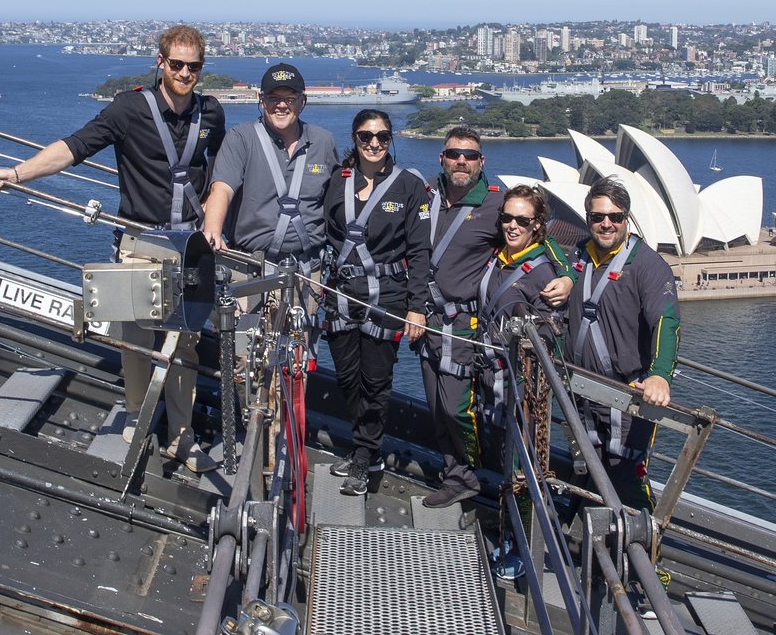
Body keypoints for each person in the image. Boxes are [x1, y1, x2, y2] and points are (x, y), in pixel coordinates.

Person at [0, 24, 224, 473]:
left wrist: (213, 218)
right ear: (160, 63)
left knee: (185, 343)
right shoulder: (129, 108)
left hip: (188, 245)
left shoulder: (212, 113)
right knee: (136, 339)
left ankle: (182, 438)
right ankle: (136, 414)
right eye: (178, 65)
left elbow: (222, 171)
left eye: (194, 66)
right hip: (139, 241)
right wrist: (17, 173)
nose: (186, 73)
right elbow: (74, 147)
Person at [417, 127, 572, 508]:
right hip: (426, 320)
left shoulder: (497, 206)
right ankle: (455, 471)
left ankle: (465, 476)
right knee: (436, 405)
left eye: (469, 155)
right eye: (454, 153)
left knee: (456, 408)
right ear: (442, 157)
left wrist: (566, 273)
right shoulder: (424, 195)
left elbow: (542, 236)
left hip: (462, 326)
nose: (461, 161)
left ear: (481, 161)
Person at [323, 110, 430, 496]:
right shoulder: (338, 179)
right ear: (354, 137)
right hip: (340, 292)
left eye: (383, 137)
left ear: (391, 139)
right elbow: (322, 230)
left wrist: (417, 305)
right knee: (348, 377)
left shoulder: (408, 187)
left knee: (376, 380)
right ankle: (363, 446)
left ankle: (366, 456)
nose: (374, 144)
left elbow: (419, 251)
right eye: (366, 136)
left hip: (389, 294)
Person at [563, 175, 680, 512]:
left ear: (626, 219)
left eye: (615, 216)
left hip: (626, 396)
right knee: (586, 468)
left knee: (627, 481)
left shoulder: (647, 265)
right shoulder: (579, 255)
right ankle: (588, 544)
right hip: (582, 391)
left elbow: (666, 321)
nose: (607, 224)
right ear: (588, 220)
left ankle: (645, 555)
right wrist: (566, 278)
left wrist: (660, 375)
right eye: (598, 217)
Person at [202, 63, 338, 292]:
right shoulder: (241, 139)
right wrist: (212, 230)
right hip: (251, 268)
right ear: (261, 100)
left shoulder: (323, 142)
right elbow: (222, 188)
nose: (282, 105)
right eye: (274, 98)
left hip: (306, 272)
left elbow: (335, 200)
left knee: (302, 329)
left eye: (290, 98)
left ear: (302, 102)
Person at [476, 185, 565, 417]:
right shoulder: (497, 256)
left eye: (523, 221)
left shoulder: (542, 273)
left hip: (517, 382)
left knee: (512, 447)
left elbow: (550, 333)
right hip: (486, 372)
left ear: (536, 224)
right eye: (507, 218)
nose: (513, 226)